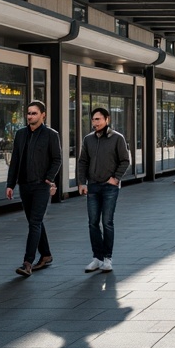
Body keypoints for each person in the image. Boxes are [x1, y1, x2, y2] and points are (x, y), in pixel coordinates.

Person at [6, 101, 62, 277]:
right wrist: (10, 184)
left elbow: (57, 159)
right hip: (24, 185)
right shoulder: (21, 134)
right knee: (34, 222)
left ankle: (27, 263)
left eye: (34, 113)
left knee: (35, 222)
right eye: (29, 113)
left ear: (43, 115)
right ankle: (46, 255)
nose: (30, 116)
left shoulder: (51, 135)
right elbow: (15, 160)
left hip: (41, 186)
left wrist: (49, 178)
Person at [77, 107, 131, 274]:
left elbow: (125, 160)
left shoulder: (117, 138)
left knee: (107, 222)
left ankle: (107, 258)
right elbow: (82, 162)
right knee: (93, 223)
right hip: (92, 186)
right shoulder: (88, 140)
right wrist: (81, 183)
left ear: (107, 119)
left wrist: (115, 178)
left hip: (110, 187)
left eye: (98, 119)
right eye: (93, 119)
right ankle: (97, 258)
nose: (95, 123)